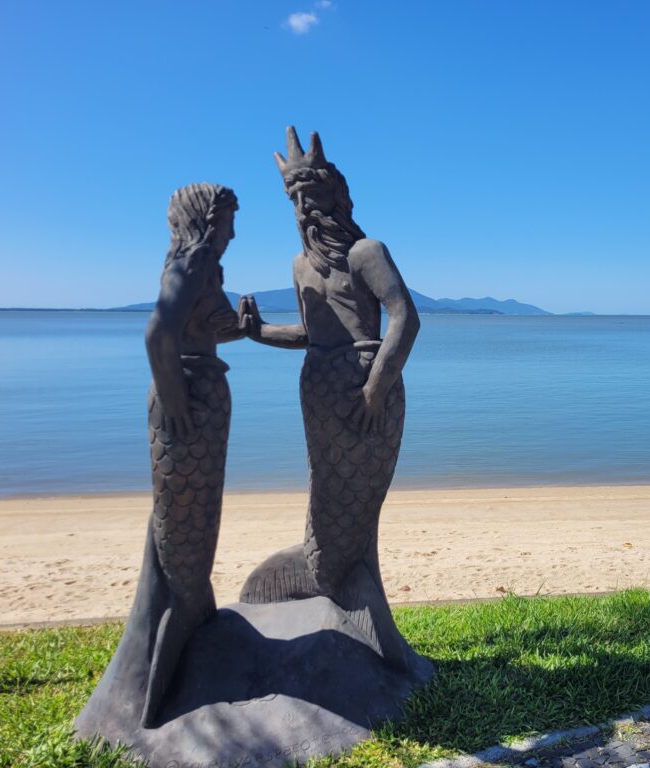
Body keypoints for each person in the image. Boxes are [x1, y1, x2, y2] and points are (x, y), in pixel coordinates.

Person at [237, 127, 421, 670]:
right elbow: (311, 334)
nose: (303, 208)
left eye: (312, 194)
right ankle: (328, 595)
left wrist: (375, 390)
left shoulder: (366, 253)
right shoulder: (301, 267)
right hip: (318, 394)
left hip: (367, 395)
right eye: (294, 198)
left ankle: (356, 606)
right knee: (324, 498)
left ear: (337, 194)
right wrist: (258, 332)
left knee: (354, 510)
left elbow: (404, 318)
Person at [78, 183, 244, 730]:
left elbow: (196, 331)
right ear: (208, 219)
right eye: (229, 219)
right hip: (190, 401)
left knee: (195, 519)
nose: (234, 231)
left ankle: (191, 618)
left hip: (200, 394)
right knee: (185, 523)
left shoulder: (200, 267)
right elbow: (158, 335)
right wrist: (176, 401)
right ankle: (168, 655)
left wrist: (240, 326)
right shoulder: (194, 262)